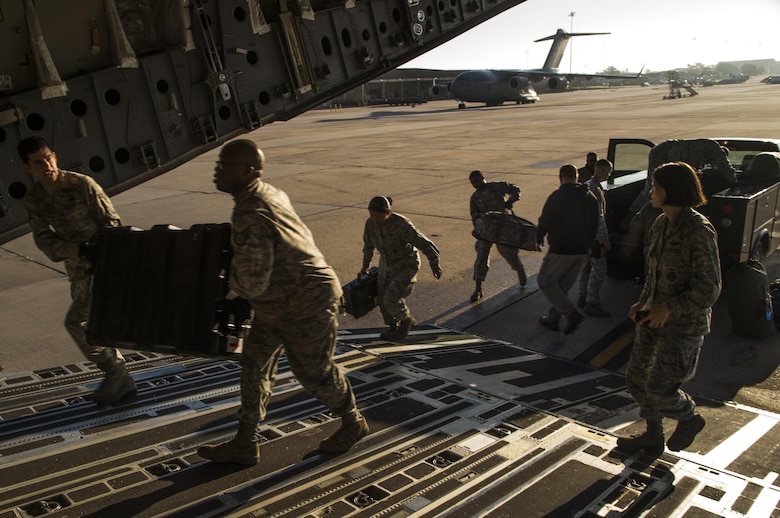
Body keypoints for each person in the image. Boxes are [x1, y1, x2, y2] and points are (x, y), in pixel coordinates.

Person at [198, 139, 367, 466]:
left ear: (247, 171)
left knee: (313, 371)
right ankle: (245, 442)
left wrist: (222, 291)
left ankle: (353, 421)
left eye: (225, 165)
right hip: (277, 302)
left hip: (306, 301)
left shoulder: (250, 208)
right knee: (254, 364)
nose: (217, 171)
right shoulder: (267, 193)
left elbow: (251, 280)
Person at [18, 137, 137, 406]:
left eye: (48, 158)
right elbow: (44, 241)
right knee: (91, 323)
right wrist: (77, 251)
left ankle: (116, 374)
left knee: (77, 322)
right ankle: (120, 379)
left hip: (102, 266)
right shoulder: (35, 200)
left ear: (55, 156)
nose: (46, 165)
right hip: (78, 270)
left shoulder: (80, 184)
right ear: (28, 168)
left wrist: (99, 252)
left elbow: (112, 223)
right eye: (38, 162)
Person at [617, 162, 720, 455]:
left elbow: (709, 288)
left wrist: (670, 308)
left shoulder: (698, 231)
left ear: (670, 190)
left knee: (661, 390)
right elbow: (655, 273)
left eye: (656, 186)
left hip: (683, 326)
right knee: (636, 378)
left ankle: (689, 418)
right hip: (653, 317)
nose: (651, 191)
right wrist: (644, 301)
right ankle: (653, 434)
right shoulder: (661, 223)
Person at [361, 196, 442, 341]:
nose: (374, 219)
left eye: (378, 216)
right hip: (386, 264)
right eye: (371, 215)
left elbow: (423, 242)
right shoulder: (370, 224)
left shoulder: (401, 225)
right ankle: (393, 328)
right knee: (381, 298)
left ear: (388, 213)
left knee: (391, 298)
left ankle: (406, 320)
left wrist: (434, 263)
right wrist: (365, 266)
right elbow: (368, 246)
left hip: (406, 265)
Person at [536, 164, 599, 335]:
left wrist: (539, 236)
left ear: (560, 177)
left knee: (545, 282)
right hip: (582, 250)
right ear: (577, 176)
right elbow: (595, 223)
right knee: (562, 286)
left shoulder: (558, 196)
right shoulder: (590, 196)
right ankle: (553, 319)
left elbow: (546, 219)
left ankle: (571, 314)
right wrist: (589, 243)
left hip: (562, 249)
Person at [468, 170, 527, 302]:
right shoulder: (475, 198)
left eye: (477, 181)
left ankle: (519, 269)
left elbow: (515, 189)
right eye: (473, 183)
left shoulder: (497, 187)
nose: (476, 184)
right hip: (487, 231)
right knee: (481, 258)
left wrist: (511, 200)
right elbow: (474, 217)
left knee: (508, 252)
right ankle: (478, 288)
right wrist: (478, 230)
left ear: (484, 178)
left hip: (503, 227)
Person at [578, 159, 613, 317]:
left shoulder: (585, 186)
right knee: (599, 269)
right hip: (594, 237)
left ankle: (582, 295)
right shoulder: (595, 191)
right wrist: (604, 240)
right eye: (608, 171)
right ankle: (592, 302)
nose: (609, 174)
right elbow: (598, 218)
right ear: (601, 170)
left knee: (585, 267)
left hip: (583, 235)